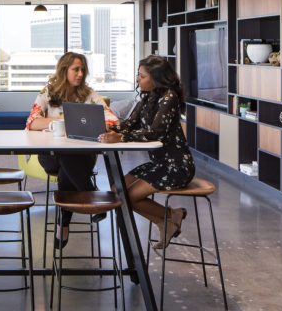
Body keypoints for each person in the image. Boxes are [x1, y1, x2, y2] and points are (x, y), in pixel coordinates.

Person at [99, 55, 195, 249]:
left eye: (142, 76)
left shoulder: (170, 97)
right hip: (159, 164)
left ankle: (170, 217)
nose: (138, 80)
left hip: (176, 167)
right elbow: (129, 124)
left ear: (156, 78)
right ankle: (164, 221)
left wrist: (122, 138)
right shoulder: (149, 97)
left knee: (126, 196)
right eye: (138, 75)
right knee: (117, 190)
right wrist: (107, 129)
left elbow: (156, 133)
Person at [26, 52, 118, 248]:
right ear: (64, 70)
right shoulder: (48, 93)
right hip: (50, 156)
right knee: (65, 154)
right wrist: (63, 120)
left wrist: (97, 124)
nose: (80, 74)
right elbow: (32, 122)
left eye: (82, 70)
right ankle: (90, 193)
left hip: (81, 157)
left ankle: (63, 224)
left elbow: (112, 120)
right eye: (75, 69)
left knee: (69, 162)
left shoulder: (89, 95)